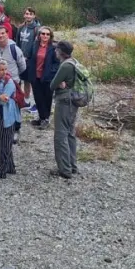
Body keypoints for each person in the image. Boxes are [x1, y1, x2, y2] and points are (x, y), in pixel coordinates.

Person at [49, 41, 88, 179]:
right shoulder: (74, 61)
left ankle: (65, 170)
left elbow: (52, 85)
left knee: (60, 135)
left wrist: (60, 84)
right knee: (70, 133)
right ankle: (72, 166)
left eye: (56, 50)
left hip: (65, 102)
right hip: (73, 102)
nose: (55, 51)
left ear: (60, 51)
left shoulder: (65, 65)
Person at [28, 26, 58, 129]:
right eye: (43, 33)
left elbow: (57, 63)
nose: (45, 36)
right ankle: (41, 118)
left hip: (47, 78)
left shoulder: (54, 48)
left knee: (47, 99)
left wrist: (50, 72)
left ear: (50, 36)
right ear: (39, 35)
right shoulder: (34, 45)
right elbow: (30, 58)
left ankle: (46, 119)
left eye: (47, 34)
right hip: (35, 76)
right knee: (38, 98)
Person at [16, 8, 41, 111]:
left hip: (31, 60)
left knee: (29, 81)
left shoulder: (37, 29)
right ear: (24, 15)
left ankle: (31, 101)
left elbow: (37, 45)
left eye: (30, 14)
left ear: (34, 16)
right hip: (20, 58)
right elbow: (17, 42)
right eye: (26, 14)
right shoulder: (21, 27)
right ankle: (23, 100)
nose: (28, 16)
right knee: (21, 79)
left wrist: (30, 57)